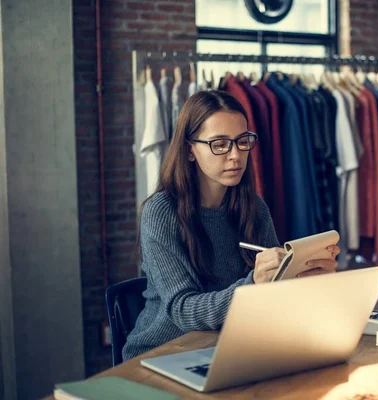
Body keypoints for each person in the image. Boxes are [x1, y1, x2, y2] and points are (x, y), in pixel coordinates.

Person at [122, 90, 340, 360]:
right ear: (190, 150)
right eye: (220, 144)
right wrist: (253, 285)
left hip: (228, 346)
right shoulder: (161, 211)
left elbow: (272, 296)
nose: (235, 155)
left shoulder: (253, 206)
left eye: (242, 141)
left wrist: (305, 275)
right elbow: (183, 310)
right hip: (162, 354)